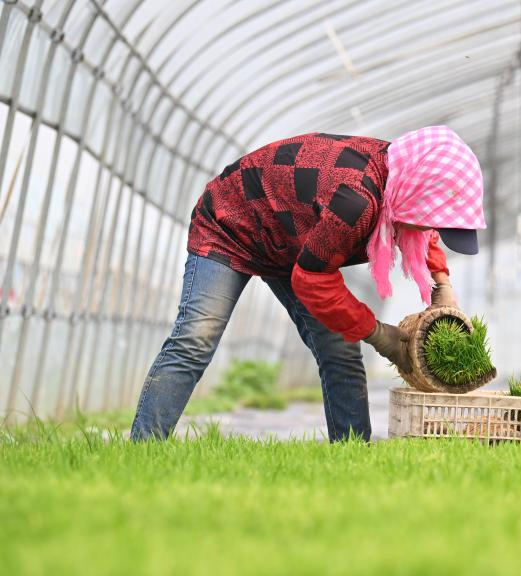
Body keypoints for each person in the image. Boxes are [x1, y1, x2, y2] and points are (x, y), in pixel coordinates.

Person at [130, 126, 485, 441]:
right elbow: (313, 279)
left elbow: (422, 227)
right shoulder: (356, 200)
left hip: (294, 240)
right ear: (416, 191)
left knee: (340, 348)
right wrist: (380, 336)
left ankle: (351, 456)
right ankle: (144, 449)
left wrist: (442, 286)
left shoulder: (401, 179)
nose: (429, 229)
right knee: (196, 339)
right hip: (232, 224)